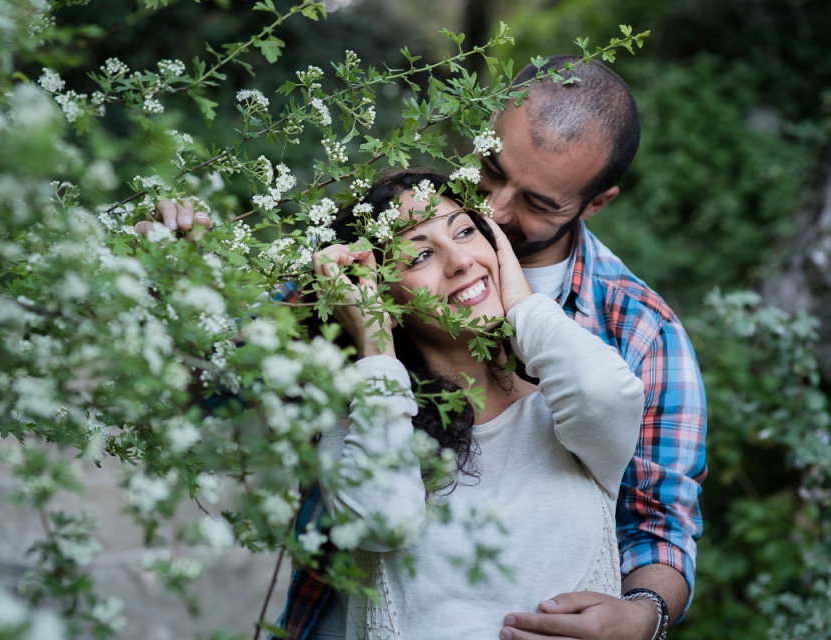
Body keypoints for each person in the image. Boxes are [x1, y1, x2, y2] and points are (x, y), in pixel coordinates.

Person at [141, 55, 707, 640]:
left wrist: (643, 615)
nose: (493, 209)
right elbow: (214, 390)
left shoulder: (639, 330)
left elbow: (658, 519)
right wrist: (180, 286)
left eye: (538, 203)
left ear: (595, 203)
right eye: (491, 168)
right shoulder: (385, 235)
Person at [307, 170, 644, 638]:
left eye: (466, 231)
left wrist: (524, 303)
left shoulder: (567, 410)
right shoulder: (361, 424)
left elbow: (606, 393)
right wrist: (376, 349)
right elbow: (383, 521)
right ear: (379, 295)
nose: (461, 260)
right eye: (421, 253)